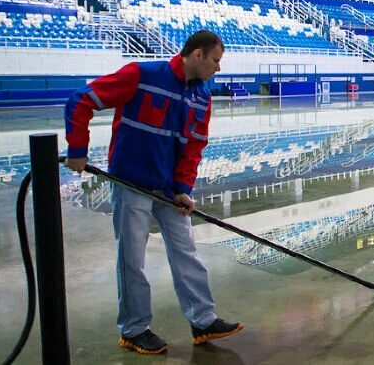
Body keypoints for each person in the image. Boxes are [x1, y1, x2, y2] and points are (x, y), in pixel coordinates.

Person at [64, 30, 242, 355]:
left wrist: (183, 189)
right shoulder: (142, 75)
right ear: (197, 55)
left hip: (168, 190)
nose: (218, 68)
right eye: (216, 60)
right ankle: (134, 330)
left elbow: (193, 146)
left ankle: (202, 321)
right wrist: (78, 147)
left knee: (186, 251)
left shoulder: (202, 95)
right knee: (132, 257)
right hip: (131, 183)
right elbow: (82, 99)